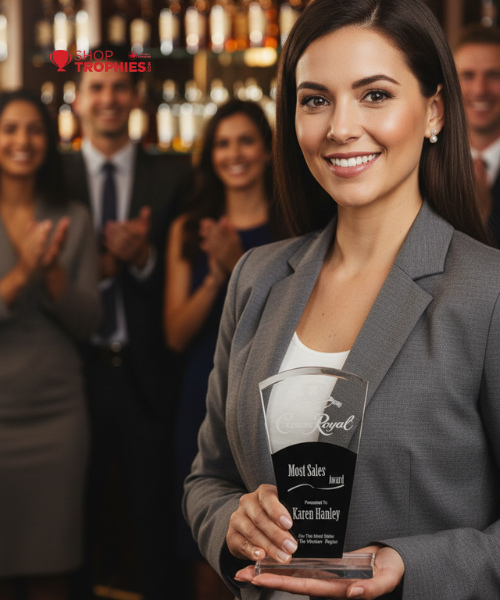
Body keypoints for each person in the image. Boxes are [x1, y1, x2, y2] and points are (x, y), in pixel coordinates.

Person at [183, 0, 500, 599]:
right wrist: (233, 522)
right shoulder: (256, 277)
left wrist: (411, 564)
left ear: (433, 111)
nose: (339, 127)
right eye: (315, 99)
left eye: (374, 94)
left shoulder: (486, 292)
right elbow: (208, 480)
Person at [62, 46, 191, 599]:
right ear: (77, 100)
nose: (108, 98)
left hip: (148, 378)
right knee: (73, 523)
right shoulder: (53, 173)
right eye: (96, 87)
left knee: (154, 522)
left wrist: (143, 261)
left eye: (120, 87)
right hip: (70, 375)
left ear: (136, 97)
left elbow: (188, 269)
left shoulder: (175, 173)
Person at [165, 99, 281, 600]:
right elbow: (174, 333)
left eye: (246, 140)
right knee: (204, 549)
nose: (235, 153)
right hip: (203, 394)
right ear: (210, 153)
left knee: (268, 543)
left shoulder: (292, 226)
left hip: (269, 397)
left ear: (269, 151)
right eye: (223, 142)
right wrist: (219, 277)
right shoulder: (188, 228)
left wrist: (241, 267)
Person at [0, 90, 99, 599]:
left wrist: (54, 273)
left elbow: (89, 322)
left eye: (34, 129)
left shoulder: (74, 218)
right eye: (11, 128)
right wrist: (22, 275)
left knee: (52, 565)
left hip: (58, 413)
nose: (23, 140)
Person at [455, 24, 500, 245]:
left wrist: (483, 216)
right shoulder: (420, 161)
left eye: (493, 75)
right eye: (468, 76)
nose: (480, 90)